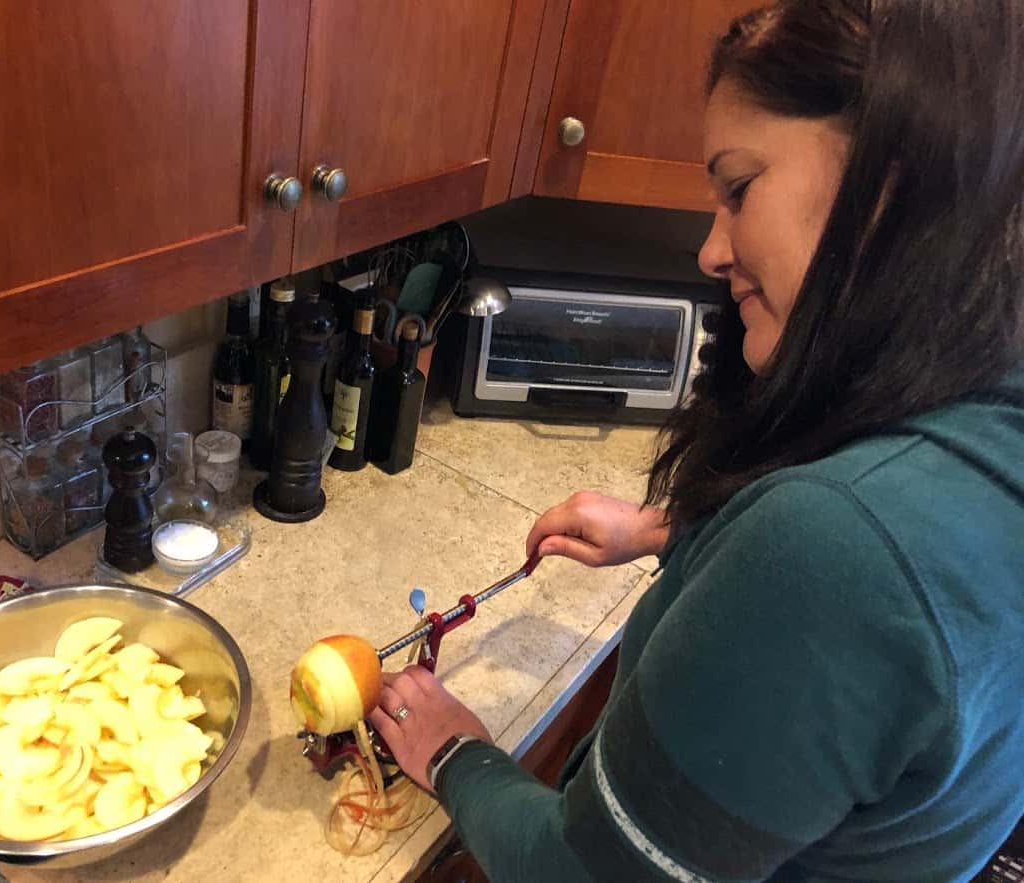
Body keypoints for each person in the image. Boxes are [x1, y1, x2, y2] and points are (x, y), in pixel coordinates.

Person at [368, 0, 1024, 880]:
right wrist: (676, 530)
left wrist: (458, 752)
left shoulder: (837, 551)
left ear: (889, 184)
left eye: (738, 187)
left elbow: (581, 873)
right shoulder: (986, 401)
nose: (711, 249)